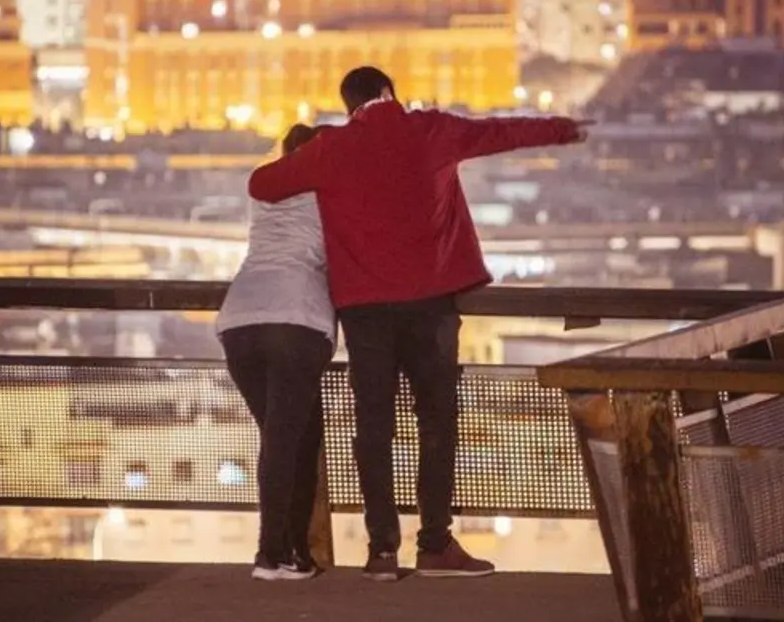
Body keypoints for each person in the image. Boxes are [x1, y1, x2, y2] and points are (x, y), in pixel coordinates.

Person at [248, 67, 591, 581]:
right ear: (389, 93)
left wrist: (315, 163)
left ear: (350, 106)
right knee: (436, 422)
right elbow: (502, 132)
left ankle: (381, 551)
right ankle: (435, 545)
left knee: (373, 427)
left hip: (363, 310)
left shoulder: (334, 148)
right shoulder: (430, 130)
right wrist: (563, 128)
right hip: (431, 304)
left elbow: (263, 184)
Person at [216, 123, 336, 581]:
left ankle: (293, 552)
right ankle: (272, 553)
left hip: (240, 318)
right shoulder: (332, 191)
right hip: (296, 319)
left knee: (290, 437)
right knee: (287, 440)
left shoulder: (265, 192)